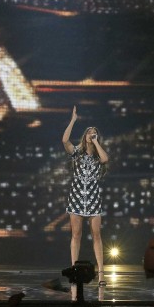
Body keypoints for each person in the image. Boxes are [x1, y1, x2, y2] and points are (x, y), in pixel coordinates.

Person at [62, 105, 109, 287]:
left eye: (94, 132)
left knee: (96, 235)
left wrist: (96, 142)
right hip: (76, 196)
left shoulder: (98, 156)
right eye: (89, 132)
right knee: (76, 234)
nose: (92, 133)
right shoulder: (77, 153)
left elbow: (105, 159)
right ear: (85, 135)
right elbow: (65, 140)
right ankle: (74, 271)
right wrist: (73, 120)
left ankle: (101, 274)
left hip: (93, 197)